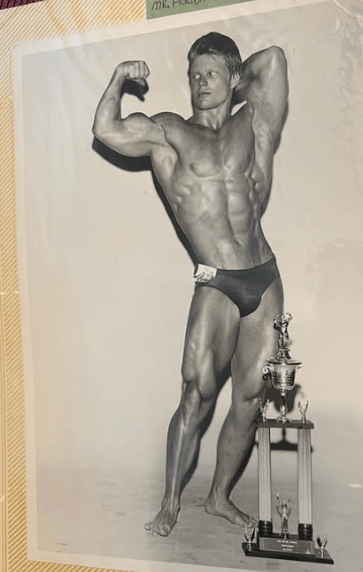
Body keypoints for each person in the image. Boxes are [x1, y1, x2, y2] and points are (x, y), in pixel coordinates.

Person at [92, 32, 288, 537]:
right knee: (196, 394)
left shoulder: (255, 122)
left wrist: (238, 79)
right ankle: (170, 503)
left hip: (263, 277)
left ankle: (219, 498)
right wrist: (117, 79)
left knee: (249, 397)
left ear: (232, 77)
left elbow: (275, 60)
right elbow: (107, 129)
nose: (200, 83)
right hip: (217, 280)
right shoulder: (169, 133)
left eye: (211, 74)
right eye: (194, 75)